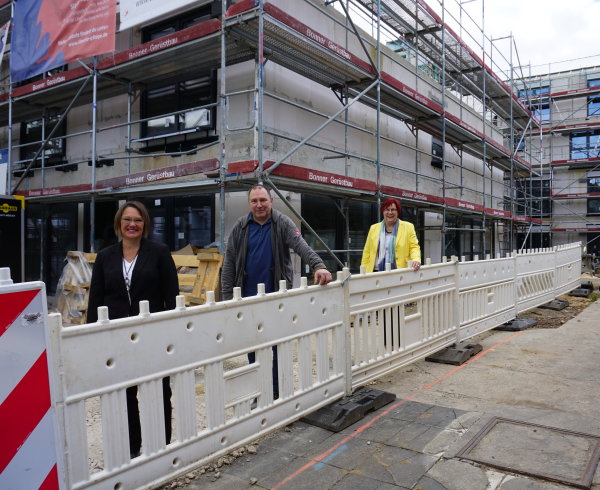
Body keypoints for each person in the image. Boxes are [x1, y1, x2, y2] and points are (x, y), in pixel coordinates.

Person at [221, 185, 333, 399]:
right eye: (254, 201)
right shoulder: (241, 226)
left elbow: (301, 246)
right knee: (253, 348)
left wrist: (318, 265)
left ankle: (276, 392)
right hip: (247, 299)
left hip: (276, 298)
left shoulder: (282, 222)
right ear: (249, 204)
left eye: (263, 200)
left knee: (275, 347)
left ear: (271, 200)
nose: (259, 205)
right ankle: (260, 391)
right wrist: (228, 301)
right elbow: (229, 264)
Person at [87, 201, 179, 458]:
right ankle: (132, 450)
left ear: (145, 224)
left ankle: (161, 447)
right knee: (125, 395)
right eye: (127, 219)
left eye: (138, 220)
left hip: (152, 335)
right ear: (119, 223)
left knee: (159, 391)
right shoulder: (106, 256)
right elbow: (95, 300)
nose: (132, 224)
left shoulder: (159, 253)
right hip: (117, 335)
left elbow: (172, 297)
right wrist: (93, 336)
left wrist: (170, 335)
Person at [361, 197, 421, 272]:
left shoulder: (408, 227)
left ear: (397, 212)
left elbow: (414, 247)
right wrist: (363, 270)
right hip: (375, 272)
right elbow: (367, 251)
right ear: (383, 212)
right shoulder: (373, 228)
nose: (390, 212)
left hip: (398, 271)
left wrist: (416, 259)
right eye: (387, 209)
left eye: (393, 209)